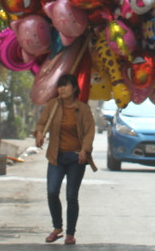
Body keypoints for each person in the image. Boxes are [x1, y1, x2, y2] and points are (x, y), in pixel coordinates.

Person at [35, 73, 95, 245]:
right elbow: (42, 123)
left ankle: (70, 233)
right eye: (59, 86)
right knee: (52, 191)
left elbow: (89, 131)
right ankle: (57, 227)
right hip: (56, 156)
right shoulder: (53, 105)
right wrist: (39, 133)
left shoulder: (83, 109)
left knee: (71, 196)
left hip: (76, 158)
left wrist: (85, 149)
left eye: (65, 85)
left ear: (74, 88)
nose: (61, 89)